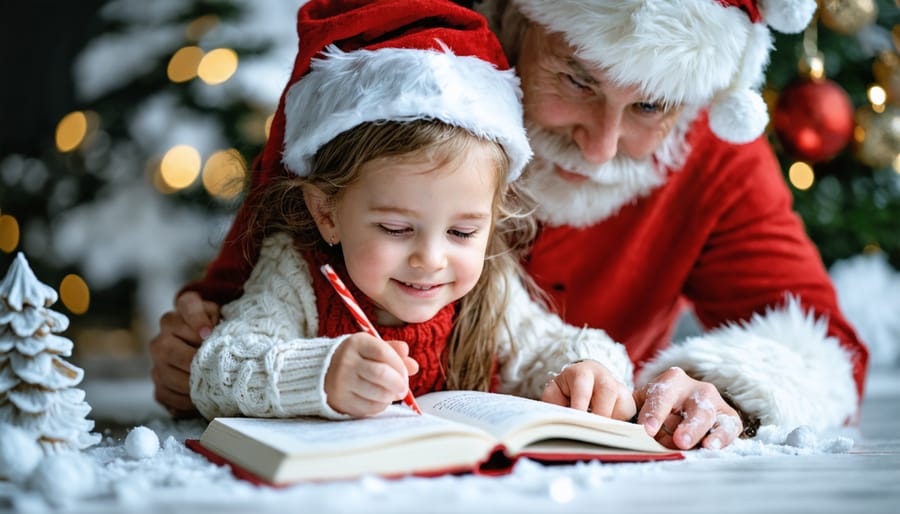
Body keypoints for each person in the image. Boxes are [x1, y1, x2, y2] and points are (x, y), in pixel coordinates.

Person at [151, 0, 869, 449]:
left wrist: (728, 394)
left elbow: (818, 344)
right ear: (517, 25)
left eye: (651, 106)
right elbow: (228, 320)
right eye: (576, 79)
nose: (600, 145)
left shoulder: (714, 160)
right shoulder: (404, 98)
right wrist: (199, 354)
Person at [188, 0, 637, 425]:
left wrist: (588, 371)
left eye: (462, 232)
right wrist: (319, 376)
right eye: (396, 228)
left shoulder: (489, 290)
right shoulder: (297, 274)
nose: (430, 259)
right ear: (326, 212)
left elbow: (557, 347)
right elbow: (218, 370)